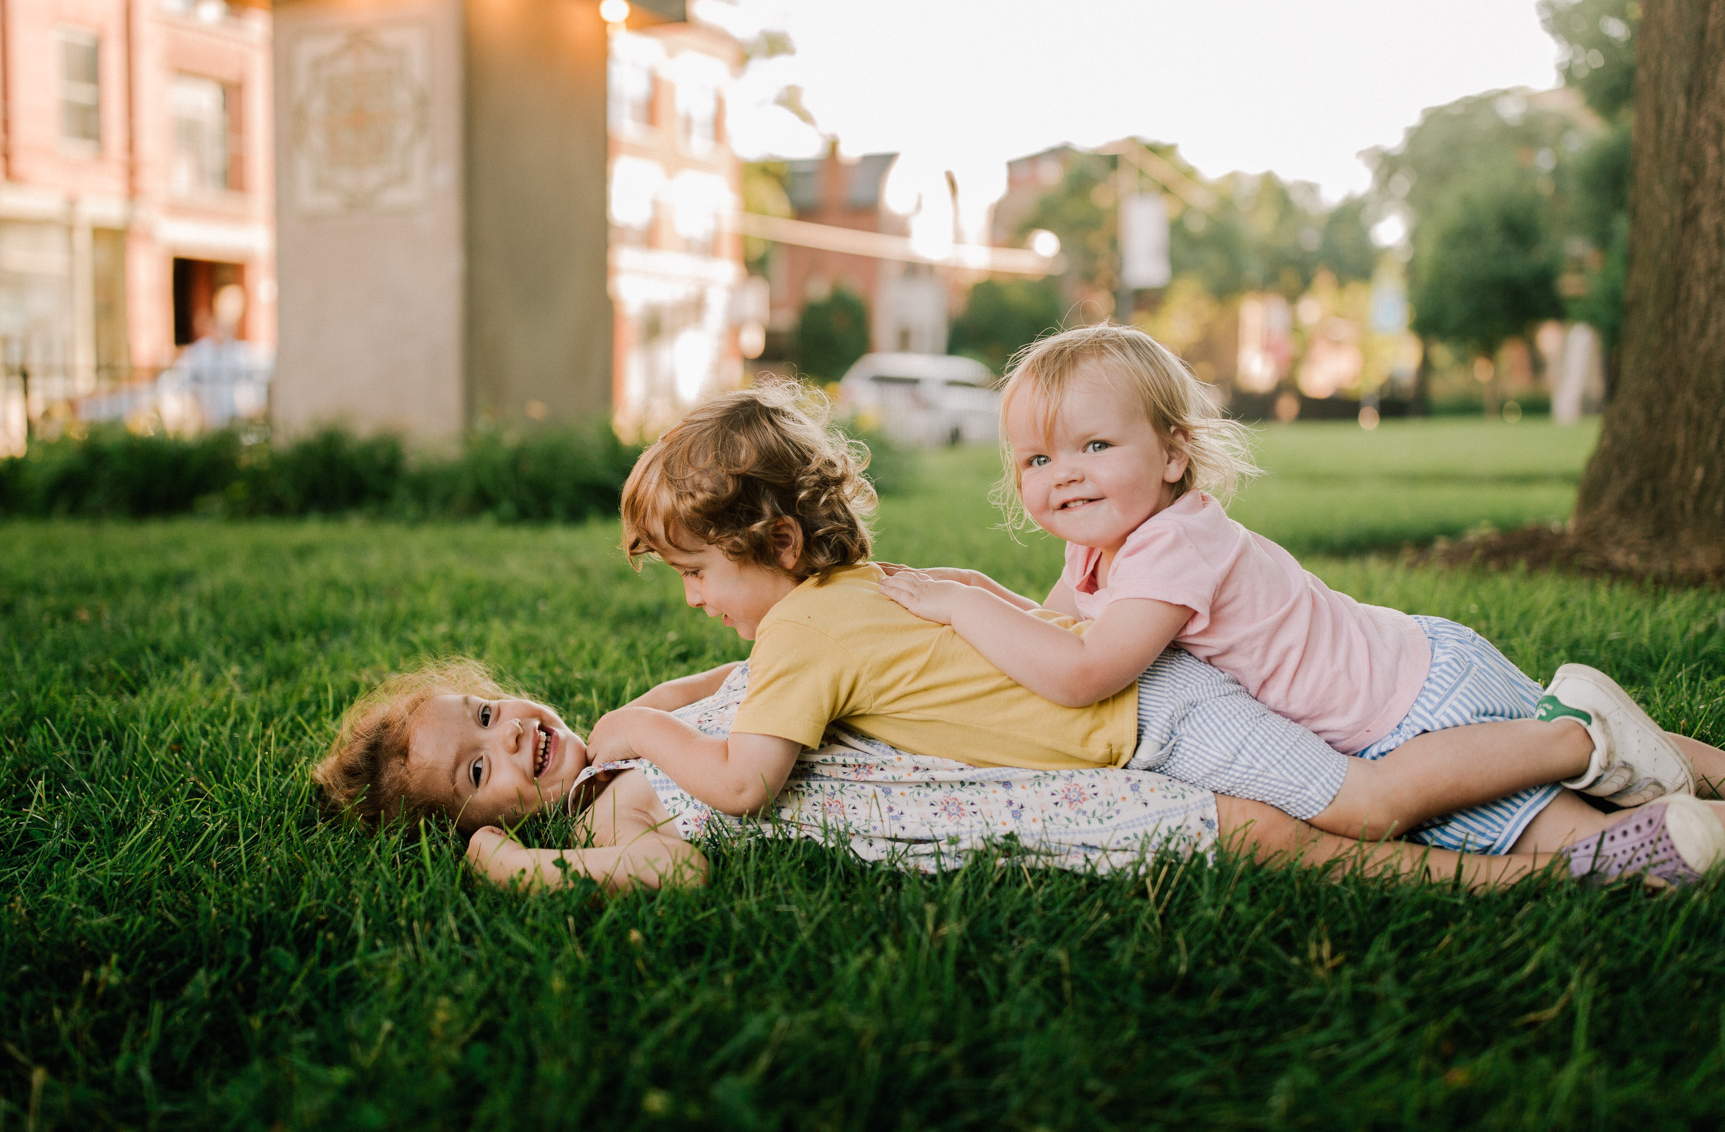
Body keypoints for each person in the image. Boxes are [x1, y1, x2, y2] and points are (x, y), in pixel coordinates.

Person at [583, 384, 1724, 879]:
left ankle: (1582, 742)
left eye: (696, 571)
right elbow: (766, 675)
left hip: (1155, 722)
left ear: (779, 547)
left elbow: (743, 785)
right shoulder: (864, 593)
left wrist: (641, 728)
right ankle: (1632, 807)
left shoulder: (803, 641)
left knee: (1368, 804)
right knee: (1372, 784)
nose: (692, 597)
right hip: (1154, 700)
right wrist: (694, 691)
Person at [876, 325, 1720, 854]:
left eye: (1094, 446)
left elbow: (1087, 672)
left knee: (1557, 835)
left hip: (1409, 711)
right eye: (1037, 459)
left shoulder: (1171, 545)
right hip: (1404, 681)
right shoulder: (1104, 548)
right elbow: (1057, 629)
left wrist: (960, 607)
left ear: (1173, 455)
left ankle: (1592, 743)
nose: (1063, 476)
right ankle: (1667, 775)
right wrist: (980, 593)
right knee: (1599, 813)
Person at [311, 654, 1721, 894]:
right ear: (478, 818)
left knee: (1326, 761)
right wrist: (524, 872)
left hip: (971, 734)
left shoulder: (623, 721)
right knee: (1267, 831)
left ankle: (1622, 803)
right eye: (482, 771)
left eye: (491, 709)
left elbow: (757, 666)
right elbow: (670, 866)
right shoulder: (617, 807)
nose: (516, 736)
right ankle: (1581, 859)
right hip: (993, 809)